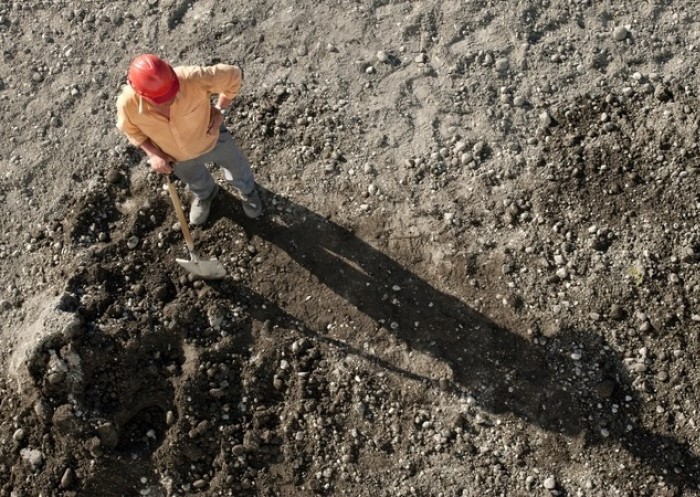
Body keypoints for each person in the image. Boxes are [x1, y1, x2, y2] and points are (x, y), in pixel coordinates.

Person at [116, 53, 262, 224]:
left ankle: (247, 190)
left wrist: (220, 110)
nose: (170, 99)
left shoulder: (192, 78)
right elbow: (131, 131)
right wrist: (154, 154)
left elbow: (234, 76)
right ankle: (206, 194)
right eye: (161, 99)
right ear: (140, 94)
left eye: (172, 92)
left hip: (212, 138)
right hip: (176, 156)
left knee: (236, 166)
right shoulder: (127, 105)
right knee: (194, 180)